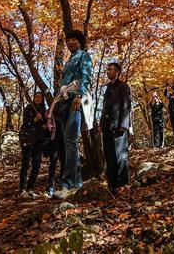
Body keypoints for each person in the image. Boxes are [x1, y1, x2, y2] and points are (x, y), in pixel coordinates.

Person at [53, 29, 94, 199]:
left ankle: (68, 183)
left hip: (76, 99)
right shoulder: (70, 58)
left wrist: (79, 95)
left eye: (73, 40)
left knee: (71, 140)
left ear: (80, 41)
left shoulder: (83, 55)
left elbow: (87, 76)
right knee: (68, 141)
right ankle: (75, 182)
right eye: (68, 40)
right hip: (65, 101)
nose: (70, 42)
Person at [101, 62, 132, 190]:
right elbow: (105, 107)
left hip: (118, 127)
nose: (108, 72)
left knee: (120, 156)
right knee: (109, 156)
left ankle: (123, 184)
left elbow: (126, 106)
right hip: (107, 127)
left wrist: (124, 125)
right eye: (107, 69)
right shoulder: (108, 88)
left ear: (117, 72)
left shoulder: (123, 87)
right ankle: (112, 185)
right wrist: (101, 123)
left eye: (111, 69)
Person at [18, 92, 47, 198]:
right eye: (36, 97)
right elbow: (25, 122)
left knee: (37, 165)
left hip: (39, 141)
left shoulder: (44, 111)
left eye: (40, 97)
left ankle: (30, 189)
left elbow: (45, 123)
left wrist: (44, 126)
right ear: (34, 98)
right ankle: (22, 189)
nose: (38, 99)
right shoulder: (29, 108)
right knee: (25, 163)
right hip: (28, 139)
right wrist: (34, 119)